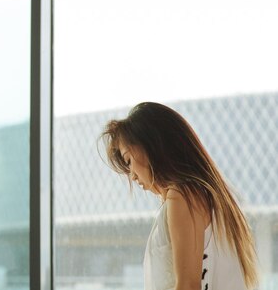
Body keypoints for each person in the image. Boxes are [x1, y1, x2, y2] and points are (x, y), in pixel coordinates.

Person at [100, 102, 258, 290]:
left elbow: (188, 286)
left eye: (128, 160)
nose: (132, 175)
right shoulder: (205, 196)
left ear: (152, 144)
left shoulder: (183, 196)